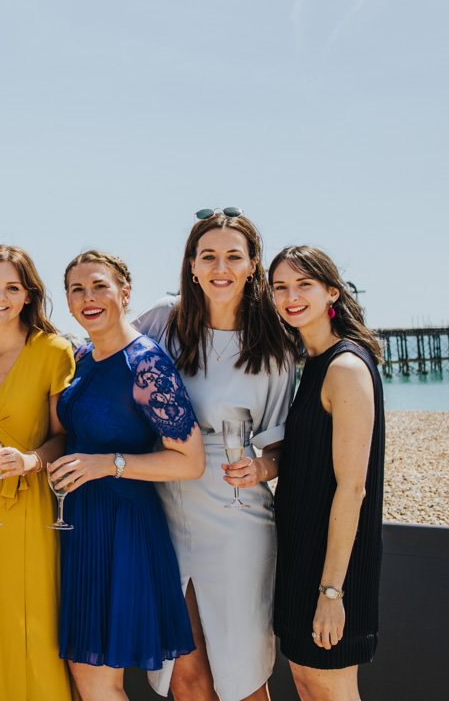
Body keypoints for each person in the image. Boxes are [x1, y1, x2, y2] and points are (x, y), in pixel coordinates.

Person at [133, 210, 297, 701]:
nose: (220, 267)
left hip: (237, 517)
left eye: (233, 256)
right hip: (165, 506)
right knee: (184, 670)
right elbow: (99, 353)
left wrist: (263, 467)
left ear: (252, 266)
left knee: (242, 673)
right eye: (208, 256)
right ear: (192, 265)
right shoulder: (164, 319)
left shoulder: (274, 344)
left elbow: (285, 444)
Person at [49, 251, 204, 701]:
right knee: (87, 672)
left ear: (125, 292)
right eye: (77, 290)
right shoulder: (81, 357)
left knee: (98, 678)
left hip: (122, 528)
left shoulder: (146, 363)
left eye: (99, 286)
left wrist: (108, 463)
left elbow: (189, 460)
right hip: (80, 525)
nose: (88, 298)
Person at [0, 245, 74, 701]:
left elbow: (65, 437)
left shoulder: (53, 351)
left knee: (34, 625)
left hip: (31, 506)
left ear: (28, 295)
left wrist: (31, 461)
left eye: (11, 287)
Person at [269, 246, 385, 701]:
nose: (290, 296)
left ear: (331, 292)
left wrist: (332, 593)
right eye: (280, 287)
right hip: (302, 555)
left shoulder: (345, 367)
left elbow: (352, 489)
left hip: (332, 566)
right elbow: (307, 460)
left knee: (328, 688)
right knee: (306, 682)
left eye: (303, 285)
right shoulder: (312, 363)